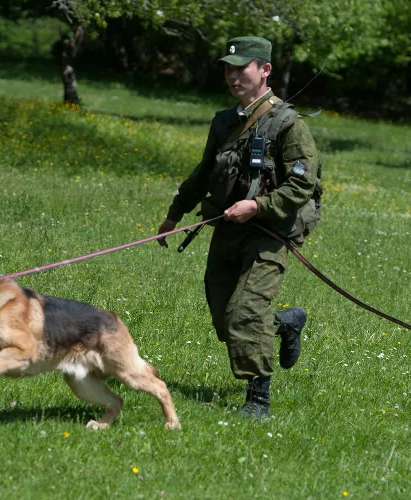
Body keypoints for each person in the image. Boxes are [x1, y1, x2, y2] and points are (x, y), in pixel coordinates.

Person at [156, 36, 321, 418]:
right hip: (228, 225)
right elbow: (204, 173)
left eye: (241, 68)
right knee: (223, 314)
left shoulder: (288, 123)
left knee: (246, 313)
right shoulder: (224, 121)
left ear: (265, 70)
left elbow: (302, 184)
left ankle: (258, 402)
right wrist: (175, 213)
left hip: (270, 230)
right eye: (228, 68)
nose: (233, 76)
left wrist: (258, 205)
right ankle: (286, 322)